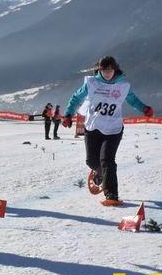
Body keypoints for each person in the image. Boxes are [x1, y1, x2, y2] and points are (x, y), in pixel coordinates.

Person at [62, 56, 153, 206]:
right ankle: (101, 173)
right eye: (104, 70)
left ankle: (112, 195)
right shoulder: (91, 83)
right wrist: (68, 114)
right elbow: (76, 97)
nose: (107, 73)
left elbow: (132, 99)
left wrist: (144, 108)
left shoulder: (123, 86)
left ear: (115, 69)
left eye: (110, 70)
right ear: (100, 69)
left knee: (107, 161)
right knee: (91, 161)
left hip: (113, 129)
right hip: (93, 128)